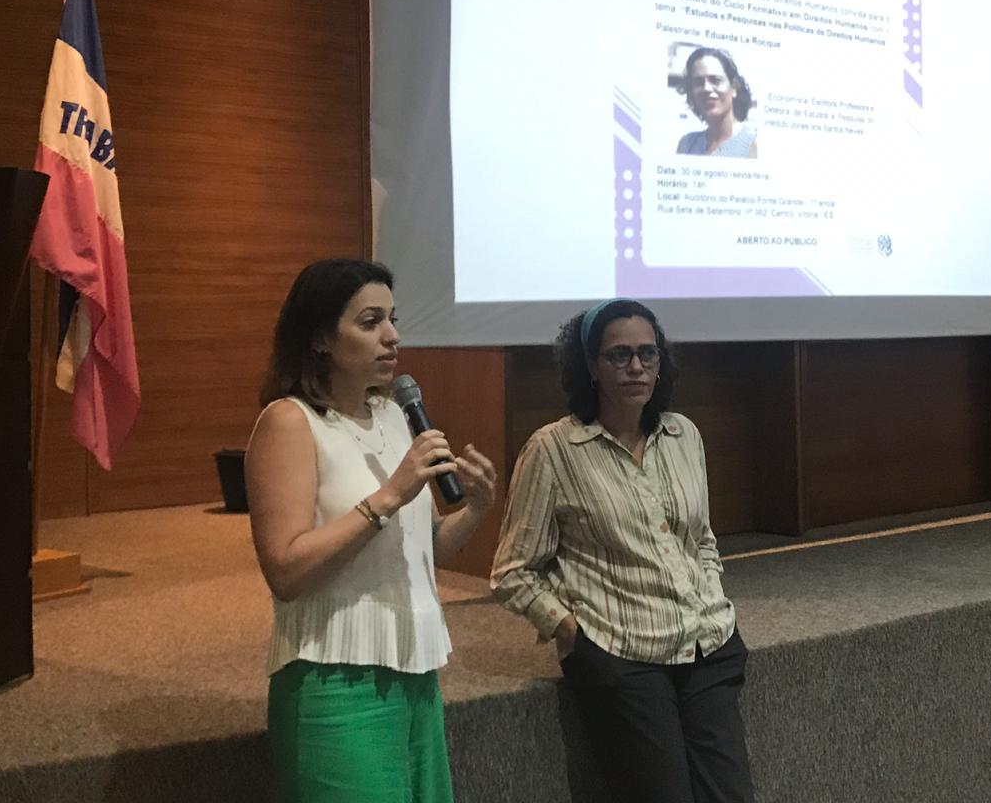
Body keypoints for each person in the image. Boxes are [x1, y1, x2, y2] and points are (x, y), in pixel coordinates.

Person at [246, 258, 497, 803]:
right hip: (333, 681)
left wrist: (476, 510)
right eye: (370, 322)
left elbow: (426, 547)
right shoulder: (290, 422)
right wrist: (388, 495)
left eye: (393, 319)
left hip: (416, 673)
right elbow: (285, 570)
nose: (392, 336)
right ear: (320, 339)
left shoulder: (393, 415)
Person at [490, 299, 754, 803]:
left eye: (647, 354)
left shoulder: (683, 434)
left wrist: (711, 593)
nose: (636, 366)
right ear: (590, 365)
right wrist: (573, 634)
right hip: (623, 656)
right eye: (619, 355)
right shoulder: (553, 449)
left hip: (708, 644)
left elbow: (701, 539)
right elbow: (513, 571)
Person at [676, 46, 758, 158]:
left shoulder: (752, 142)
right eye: (698, 82)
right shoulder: (687, 145)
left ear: (734, 87)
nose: (706, 88)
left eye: (715, 80)